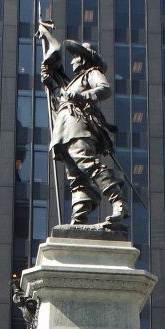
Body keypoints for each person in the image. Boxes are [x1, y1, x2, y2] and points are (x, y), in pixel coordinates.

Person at [36, 17, 129, 228]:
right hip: (64, 129)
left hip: (79, 126)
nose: (72, 60)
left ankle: (119, 202)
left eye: (75, 56)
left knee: (85, 161)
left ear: (84, 59)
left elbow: (105, 90)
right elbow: (50, 74)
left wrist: (83, 96)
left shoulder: (91, 74)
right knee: (75, 176)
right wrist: (47, 36)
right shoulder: (71, 83)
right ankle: (79, 217)